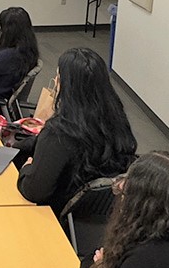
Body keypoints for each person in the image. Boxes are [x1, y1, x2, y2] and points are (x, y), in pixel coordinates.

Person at [16, 47, 136, 217]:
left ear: (67, 87)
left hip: (55, 216)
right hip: (95, 215)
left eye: (58, 77)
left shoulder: (59, 133)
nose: (55, 81)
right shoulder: (116, 119)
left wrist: (26, 169)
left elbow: (34, 191)